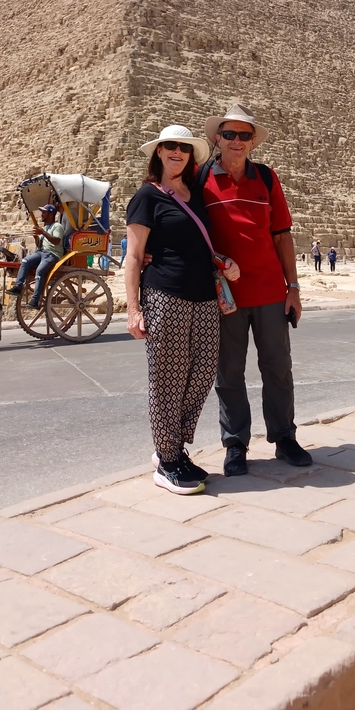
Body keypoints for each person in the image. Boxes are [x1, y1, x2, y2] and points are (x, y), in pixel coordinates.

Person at [126, 123, 239, 495]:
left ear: (191, 155)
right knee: (167, 379)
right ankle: (167, 458)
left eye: (184, 147)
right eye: (170, 146)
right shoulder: (147, 196)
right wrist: (132, 309)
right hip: (165, 295)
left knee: (203, 372)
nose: (177, 152)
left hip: (204, 297)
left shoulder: (196, 196)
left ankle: (173, 447)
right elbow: (133, 256)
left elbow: (200, 244)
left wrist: (222, 260)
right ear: (158, 151)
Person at [200, 102, 312, 476]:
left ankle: (284, 437)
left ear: (252, 141)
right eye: (229, 134)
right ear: (217, 138)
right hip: (224, 297)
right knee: (229, 373)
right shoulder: (200, 179)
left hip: (269, 292)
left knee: (278, 368)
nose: (236, 141)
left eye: (243, 135)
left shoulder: (266, 178)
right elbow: (177, 221)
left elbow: (282, 236)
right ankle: (235, 444)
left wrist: (292, 287)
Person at [7, 204, 64, 308]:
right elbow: (39, 245)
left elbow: (56, 241)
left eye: (44, 212)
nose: (41, 215)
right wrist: (36, 238)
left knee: (40, 271)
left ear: (51, 214)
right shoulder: (46, 227)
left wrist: (42, 232)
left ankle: (35, 300)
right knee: (25, 261)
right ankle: (18, 287)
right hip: (41, 252)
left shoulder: (57, 226)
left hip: (52, 254)